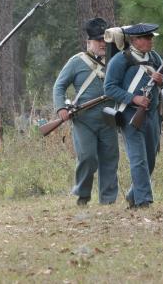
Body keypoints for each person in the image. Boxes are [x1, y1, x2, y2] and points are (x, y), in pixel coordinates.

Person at [52, 17, 118, 206]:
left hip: (109, 118)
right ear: (89, 42)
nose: (102, 44)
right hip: (84, 119)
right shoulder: (76, 61)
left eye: (104, 40)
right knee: (87, 157)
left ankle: (108, 199)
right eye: (98, 40)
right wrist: (61, 108)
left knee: (110, 158)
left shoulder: (114, 61)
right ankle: (83, 194)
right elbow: (59, 86)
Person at [104, 23, 163, 209]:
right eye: (146, 38)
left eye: (150, 37)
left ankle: (134, 194)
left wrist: (162, 80)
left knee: (150, 159)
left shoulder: (154, 58)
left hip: (152, 115)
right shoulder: (120, 60)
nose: (150, 41)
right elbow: (109, 88)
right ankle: (143, 201)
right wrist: (134, 99)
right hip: (130, 115)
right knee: (138, 159)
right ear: (134, 40)